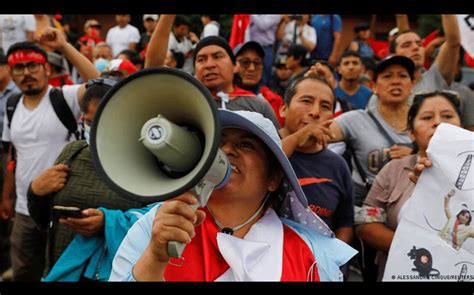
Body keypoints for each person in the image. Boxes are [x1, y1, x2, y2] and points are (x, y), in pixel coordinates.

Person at [109, 109, 357, 281]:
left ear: (273, 179)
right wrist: (154, 257)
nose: (227, 150)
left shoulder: (310, 253)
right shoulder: (158, 226)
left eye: (246, 145)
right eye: (219, 141)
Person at [0, 27, 100, 281]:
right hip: (24, 211)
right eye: (19, 69)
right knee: (24, 272)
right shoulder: (12, 106)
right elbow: (15, 156)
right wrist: (6, 197)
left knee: (63, 272)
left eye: (33, 66)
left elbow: (101, 83)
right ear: (11, 74)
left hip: (64, 208)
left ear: (46, 69)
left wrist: (64, 46)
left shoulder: (64, 97)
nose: (26, 73)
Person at [26, 77, 148, 280]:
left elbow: (155, 220)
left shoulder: (146, 165)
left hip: (114, 271)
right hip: (61, 265)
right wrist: (36, 192)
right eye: (89, 121)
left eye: (101, 121)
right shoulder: (74, 152)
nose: (93, 128)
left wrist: (107, 222)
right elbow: (44, 220)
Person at [356, 90, 464, 280]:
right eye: (427, 117)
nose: (438, 122)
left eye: (447, 116)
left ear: (461, 126)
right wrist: (416, 249)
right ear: (411, 133)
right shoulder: (394, 170)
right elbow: (367, 225)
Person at [145, 15, 280, 129]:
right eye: (201, 59)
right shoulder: (185, 101)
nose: (209, 65)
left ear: (235, 66)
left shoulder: (259, 105)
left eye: (217, 56)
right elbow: (153, 71)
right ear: (194, 70)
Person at [279, 75, 354, 244]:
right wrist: (296, 139)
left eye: (325, 106)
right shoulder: (261, 147)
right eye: (306, 101)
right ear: (283, 109)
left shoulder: (338, 166)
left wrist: (335, 266)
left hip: (318, 265)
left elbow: (344, 223)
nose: (315, 112)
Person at [234, 41, 284, 126]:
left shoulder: (273, 101)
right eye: (245, 62)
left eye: (257, 63)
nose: (251, 68)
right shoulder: (221, 97)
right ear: (232, 65)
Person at [247, 15, 281, 85]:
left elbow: (263, 25)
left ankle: (262, 93)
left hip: (265, 49)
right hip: (251, 48)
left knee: (263, 77)